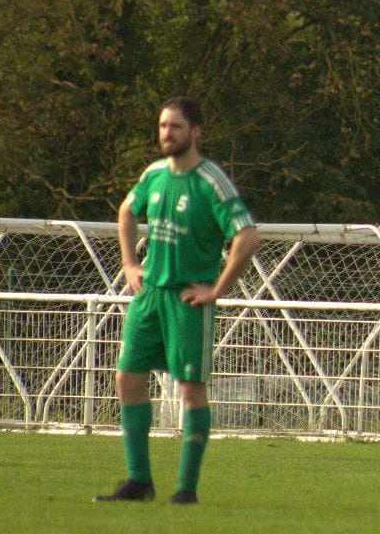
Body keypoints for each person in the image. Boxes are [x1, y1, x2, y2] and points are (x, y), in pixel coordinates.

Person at [95, 97, 259, 504]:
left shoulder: (209, 180)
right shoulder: (153, 175)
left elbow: (247, 236)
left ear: (196, 133)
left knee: (190, 391)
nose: (167, 134)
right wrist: (130, 263)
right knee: (127, 378)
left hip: (188, 300)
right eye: (163, 126)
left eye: (176, 127)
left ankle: (185, 490)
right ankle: (139, 481)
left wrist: (216, 290)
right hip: (149, 296)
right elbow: (127, 211)